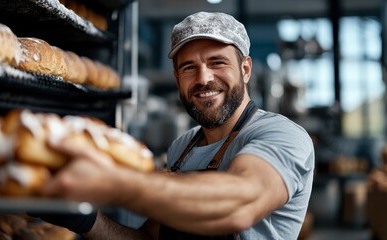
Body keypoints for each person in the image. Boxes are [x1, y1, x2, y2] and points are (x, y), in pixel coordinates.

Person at [40, 11, 315, 240]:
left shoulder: (282, 135)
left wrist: (114, 182)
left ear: (245, 69)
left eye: (217, 62)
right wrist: (87, 220)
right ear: (176, 78)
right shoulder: (182, 147)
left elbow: (238, 205)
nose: (203, 78)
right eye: (188, 68)